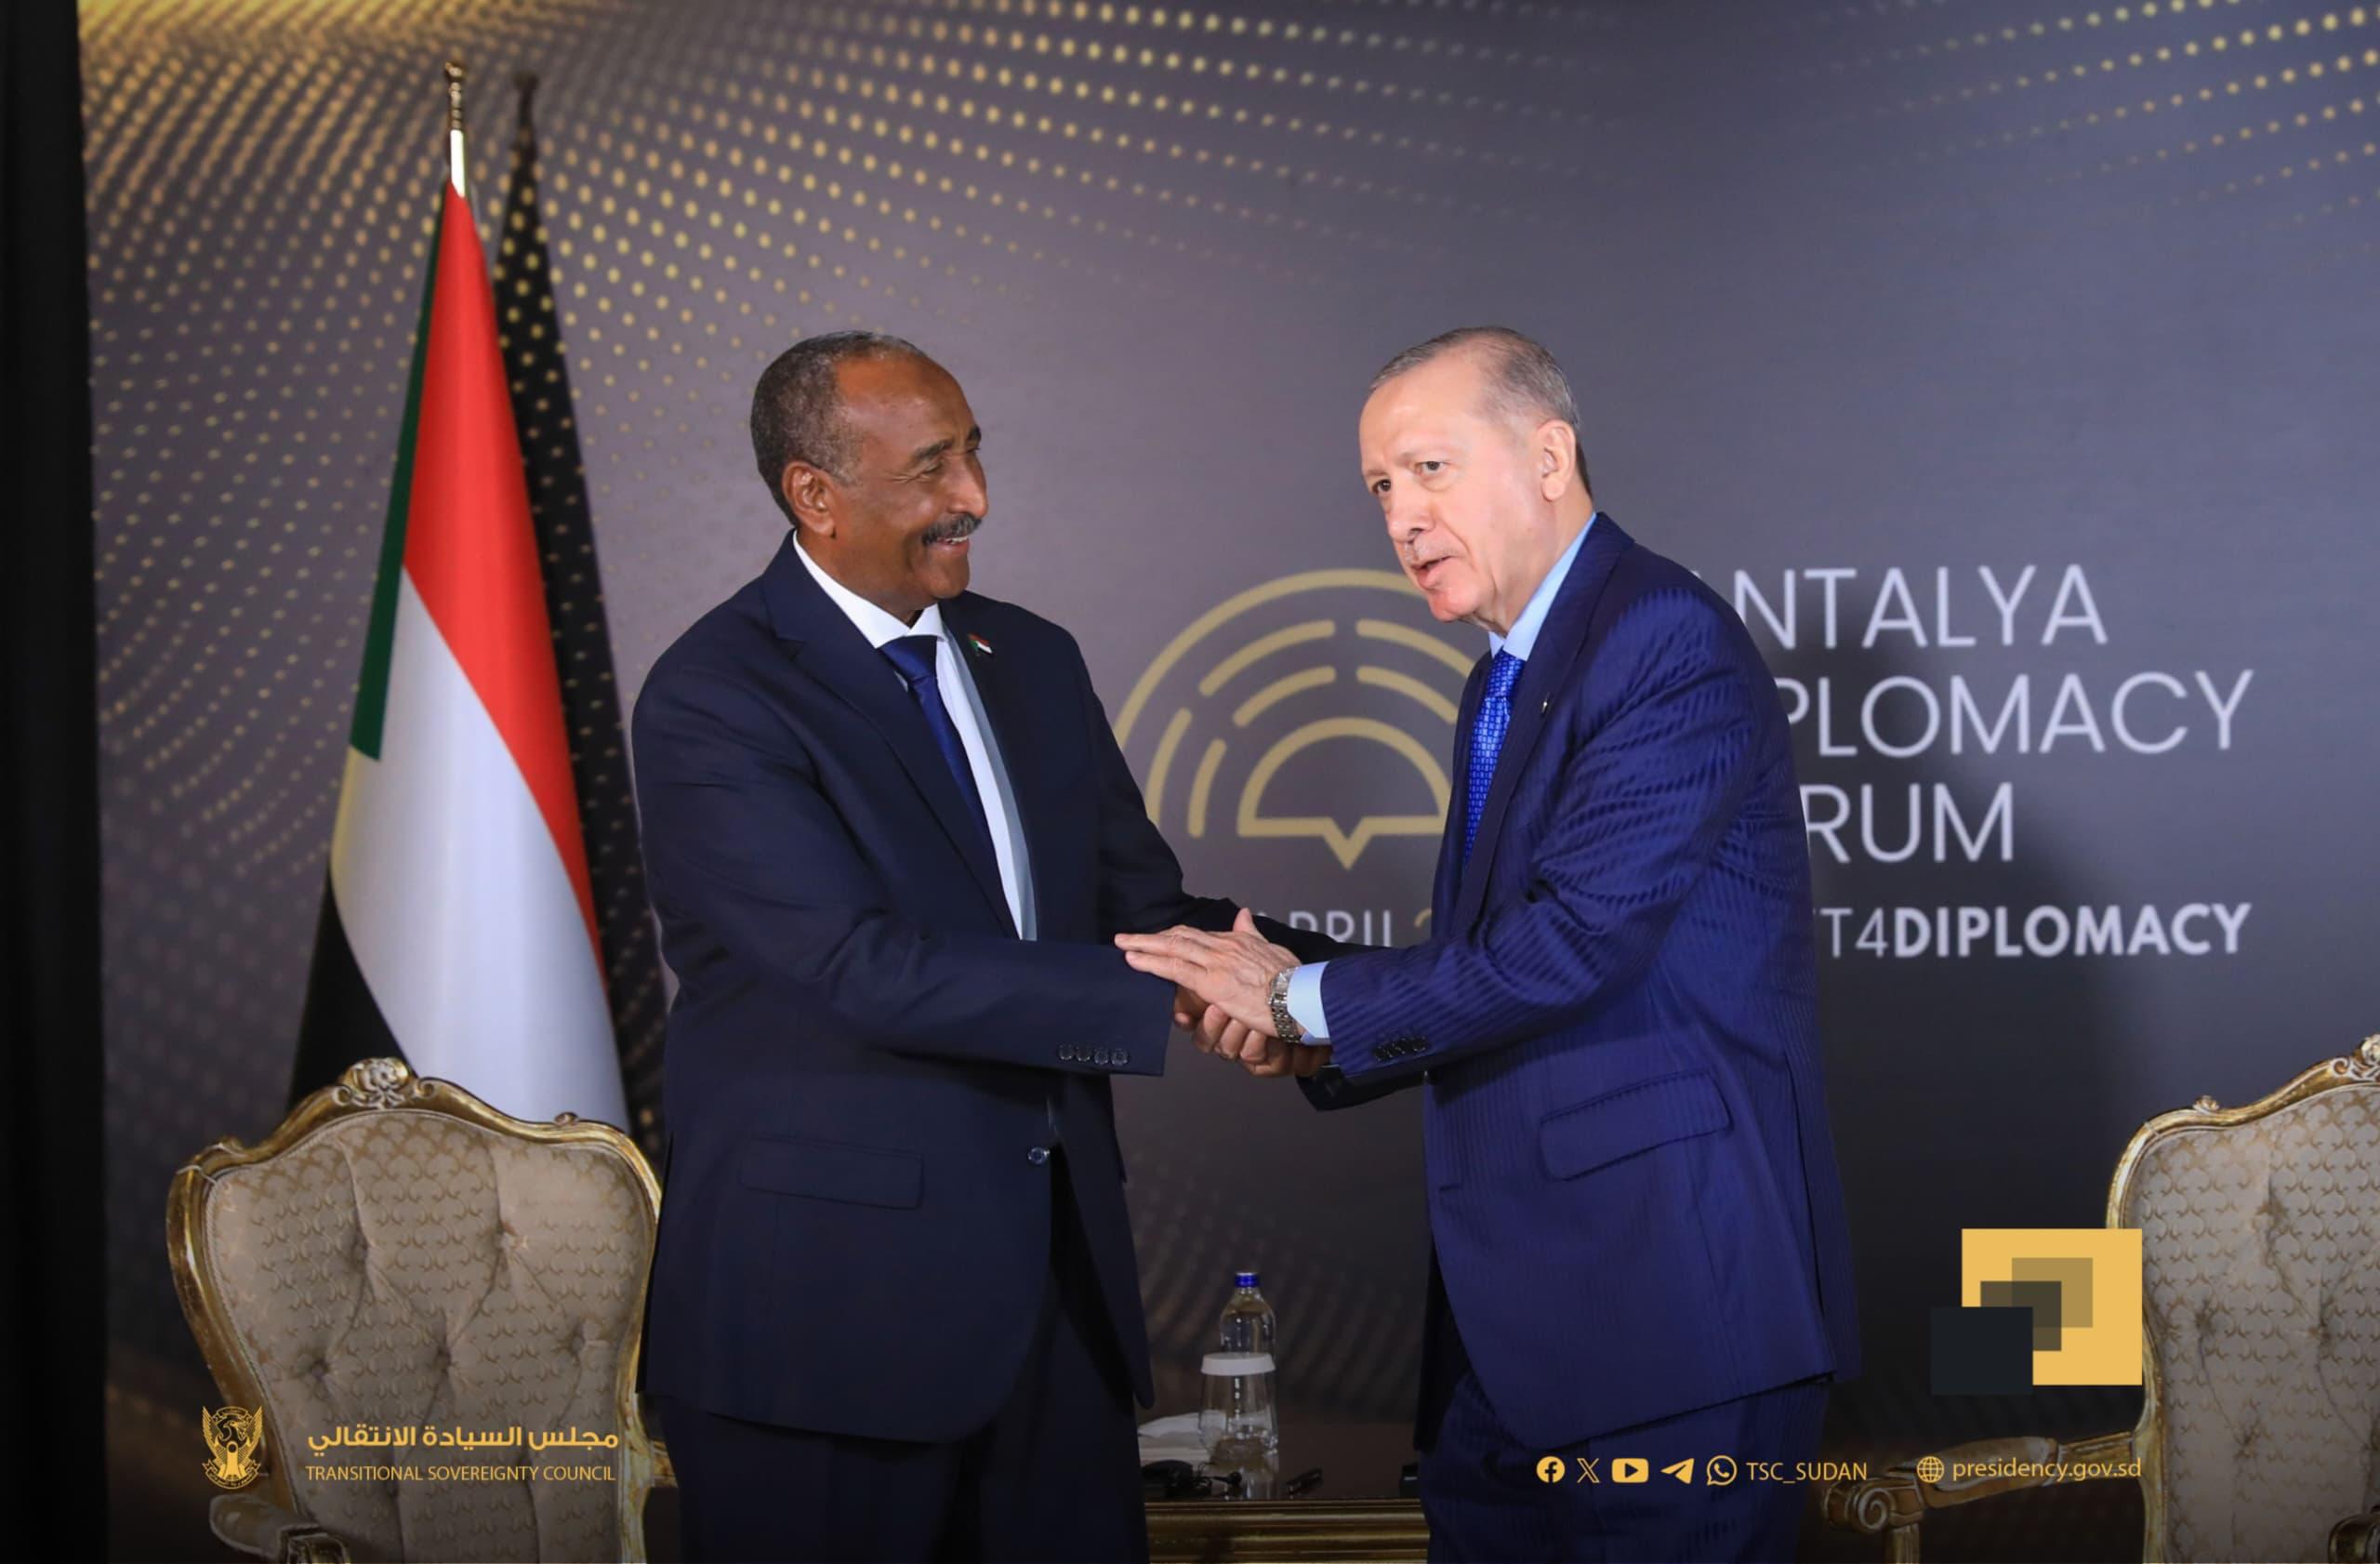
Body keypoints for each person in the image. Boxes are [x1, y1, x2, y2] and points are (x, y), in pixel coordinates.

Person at [1116, 326, 1862, 1563]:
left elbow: (1572, 944)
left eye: (1431, 469)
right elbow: (1494, 957)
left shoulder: (1661, 637)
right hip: (1516, 1344)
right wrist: (1296, 1008)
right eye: (1381, 486)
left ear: (1550, 457)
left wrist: (1301, 1001)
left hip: (1669, 1326)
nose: (1402, 517)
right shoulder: (1503, 678)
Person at [630, 330, 1323, 1563]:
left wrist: (1339, 994)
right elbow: (857, 966)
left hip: (1056, 1312)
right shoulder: (716, 695)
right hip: (826, 1334)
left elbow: (1143, 907)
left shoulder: (1031, 658)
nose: (976, 498)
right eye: (933, 468)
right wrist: (1177, 992)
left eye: (974, 454)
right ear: (815, 494)